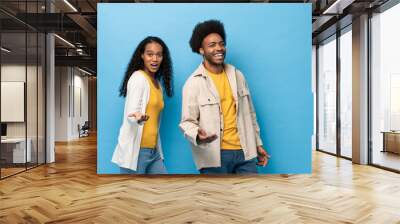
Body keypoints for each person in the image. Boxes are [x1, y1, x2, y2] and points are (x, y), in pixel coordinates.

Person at [180, 20, 270, 174]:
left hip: (245, 152)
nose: (219, 48)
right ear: (201, 50)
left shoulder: (238, 75)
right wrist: (198, 136)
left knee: (252, 196)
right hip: (214, 157)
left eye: (221, 44)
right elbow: (187, 122)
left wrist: (257, 143)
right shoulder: (193, 83)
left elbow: (250, 114)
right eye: (212, 45)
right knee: (218, 198)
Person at [112, 36, 173, 174]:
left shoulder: (157, 85)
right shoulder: (138, 78)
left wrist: (158, 151)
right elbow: (131, 114)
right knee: (134, 194)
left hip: (154, 152)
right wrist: (137, 118)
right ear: (142, 55)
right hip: (137, 151)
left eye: (159, 55)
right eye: (150, 54)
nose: (154, 59)